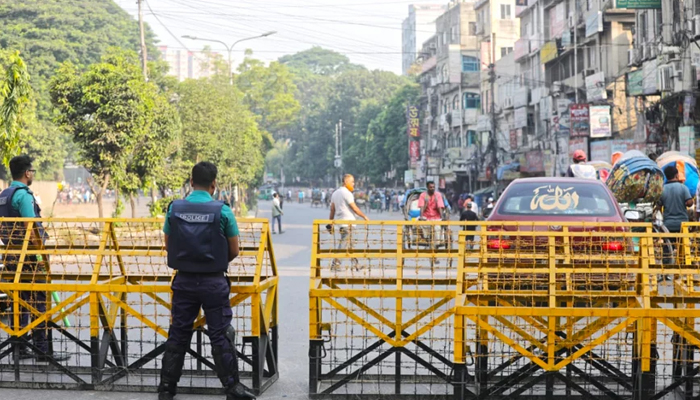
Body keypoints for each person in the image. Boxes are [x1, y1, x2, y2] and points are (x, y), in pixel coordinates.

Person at [158, 162, 254, 400]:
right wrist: (215, 262)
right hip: (214, 283)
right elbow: (234, 250)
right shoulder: (223, 211)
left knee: (178, 333)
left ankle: (167, 388)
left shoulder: (174, 209)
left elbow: (168, 245)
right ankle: (232, 388)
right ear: (214, 184)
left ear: (191, 182)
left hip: (184, 282)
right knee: (220, 334)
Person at [0, 155, 69, 361]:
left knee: (19, 302)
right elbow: (32, 229)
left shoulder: (4, 195)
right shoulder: (24, 196)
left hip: (11, 256)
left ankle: (19, 349)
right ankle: (42, 350)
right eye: (33, 172)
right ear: (27, 173)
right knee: (38, 300)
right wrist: (40, 257)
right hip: (30, 257)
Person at [329, 174, 369, 271]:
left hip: (341, 223)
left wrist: (330, 223)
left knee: (351, 244)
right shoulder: (347, 193)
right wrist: (364, 216)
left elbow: (332, 210)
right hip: (348, 223)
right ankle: (336, 264)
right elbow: (354, 208)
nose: (353, 184)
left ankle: (356, 265)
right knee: (344, 243)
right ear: (346, 182)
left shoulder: (335, 193)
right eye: (352, 182)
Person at [660, 165, 693, 265]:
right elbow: (690, 203)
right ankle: (682, 267)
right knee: (682, 248)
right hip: (682, 224)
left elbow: (658, 205)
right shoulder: (683, 188)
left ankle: (665, 270)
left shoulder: (662, 189)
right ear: (676, 175)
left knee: (667, 249)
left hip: (667, 225)